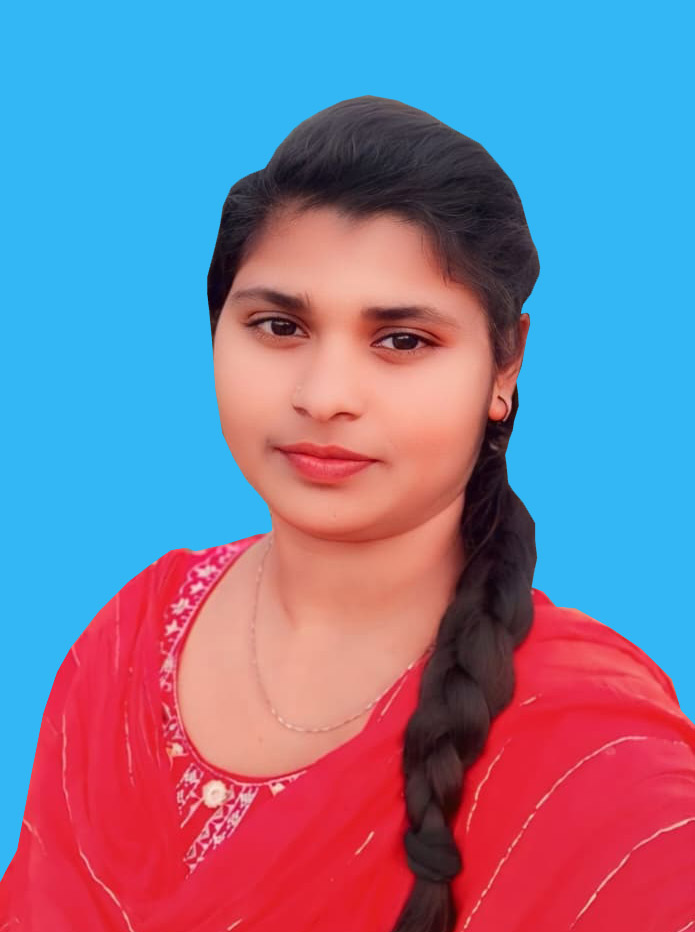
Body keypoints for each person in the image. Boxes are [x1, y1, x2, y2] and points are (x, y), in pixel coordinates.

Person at [1, 95, 693, 932]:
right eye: (278, 326)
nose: (324, 396)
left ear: (505, 366)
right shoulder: (129, 643)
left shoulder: (598, 761)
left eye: (401, 340)